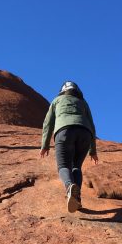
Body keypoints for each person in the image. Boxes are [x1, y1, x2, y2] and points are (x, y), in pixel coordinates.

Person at [40, 81, 98, 212]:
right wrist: (93, 151)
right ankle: (77, 199)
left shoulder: (57, 100)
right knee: (76, 166)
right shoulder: (83, 102)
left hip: (64, 131)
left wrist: (45, 145)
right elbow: (92, 126)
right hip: (85, 133)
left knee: (63, 166)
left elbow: (47, 123)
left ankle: (69, 186)